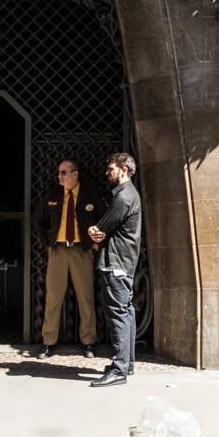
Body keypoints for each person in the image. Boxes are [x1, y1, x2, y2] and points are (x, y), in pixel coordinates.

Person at [86, 152, 142, 387]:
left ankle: (119, 369)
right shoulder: (128, 195)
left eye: (110, 169)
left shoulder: (123, 198)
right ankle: (126, 362)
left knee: (118, 313)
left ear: (124, 171)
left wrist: (92, 231)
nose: (107, 173)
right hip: (124, 262)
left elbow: (101, 229)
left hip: (115, 262)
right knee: (126, 311)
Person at [34, 158, 99, 358]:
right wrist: (49, 241)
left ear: (75, 174)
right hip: (59, 251)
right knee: (53, 296)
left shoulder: (89, 194)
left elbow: (103, 218)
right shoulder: (53, 194)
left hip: (81, 251)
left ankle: (88, 342)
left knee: (85, 297)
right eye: (59, 172)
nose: (60, 176)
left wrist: (94, 242)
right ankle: (48, 342)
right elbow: (38, 219)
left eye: (64, 172)